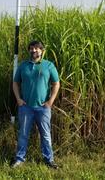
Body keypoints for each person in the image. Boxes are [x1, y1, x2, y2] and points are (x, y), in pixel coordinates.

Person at [11, 40, 60, 169]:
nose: (34, 50)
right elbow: (15, 83)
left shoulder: (48, 65)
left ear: (42, 50)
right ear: (29, 51)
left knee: (45, 134)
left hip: (43, 108)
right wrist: (18, 99)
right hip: (26, 107)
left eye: (37, 48)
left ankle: (49, 159)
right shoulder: (23, 66)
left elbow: (56, 84)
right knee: (23, 134)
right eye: (31, 48)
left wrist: (50, 101)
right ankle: (20, 159)